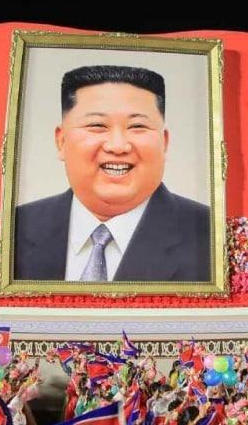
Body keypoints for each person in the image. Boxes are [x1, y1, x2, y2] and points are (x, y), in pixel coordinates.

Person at [13, 64, 211, 282]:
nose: (118, 146)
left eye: (137, 126)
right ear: (61, 141)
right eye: (97, 125)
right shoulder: (14, 229)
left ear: (164, 143)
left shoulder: (211, 237)